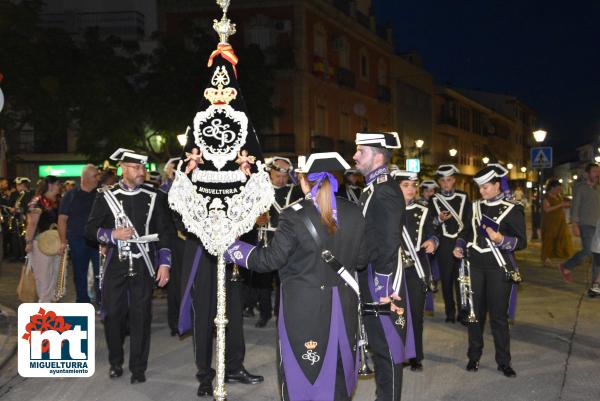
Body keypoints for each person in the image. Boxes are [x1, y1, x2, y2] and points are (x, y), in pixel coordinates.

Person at [224, 152, 367, 401]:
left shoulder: (293, 215)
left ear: (303, 181)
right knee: (339, 377)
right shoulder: (355, 213)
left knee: (302, 376)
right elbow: (363, 260)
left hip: (304, 309)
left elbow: (269, 260)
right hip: (344, 305)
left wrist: (232, 248)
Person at [85, 148, 173, 384]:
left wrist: (164, 263)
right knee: (112, 315)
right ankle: (116, 361)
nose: (141, 171)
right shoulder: (106, 196)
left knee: (141, 316)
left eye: (143, 167)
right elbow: (90, 230)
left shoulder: (155, 196)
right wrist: (111, 234)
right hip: (116, 263)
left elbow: (165, 232)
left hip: (144, 263)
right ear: (122, 168)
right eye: (136, 167)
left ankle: (138, 368)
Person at [353, 131, 413, 401]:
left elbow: (389, 242)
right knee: (379, 346)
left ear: (378, 156)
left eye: (360, 151)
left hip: (383, 282)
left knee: (387, 348)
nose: (355, 156)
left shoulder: (385, 190)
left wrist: (384, 289)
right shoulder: (373, 188)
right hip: (372, 276)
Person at [453, 164, 526, 378]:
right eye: (480, 188)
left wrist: (501, 239)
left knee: (498, 318)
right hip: (475, 266)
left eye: (486, 187)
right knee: (475, 316)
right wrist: (459, 245)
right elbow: (465, 231)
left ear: (497, 185)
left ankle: (504, 361)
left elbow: (522, 242)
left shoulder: (513, 208)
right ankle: (473, 356)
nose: (482, 191)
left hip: (497, 268)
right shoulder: (474, 207)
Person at [244, 156, 303, 327]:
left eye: (285, 176)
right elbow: (246, 214)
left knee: (283, 281)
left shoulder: (295, 191)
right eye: (278, 175)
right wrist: (254, 220)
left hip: (288, 242)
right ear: (270, 173)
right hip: (265, 241)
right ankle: (264, 313)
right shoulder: (260, 191)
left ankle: (281, 314)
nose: (282, 179)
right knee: (263, 282)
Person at [391, 170, 438, 372]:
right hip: (394, 270)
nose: (411, 189)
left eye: (413, 185)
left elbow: (432, 233)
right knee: (397, 314)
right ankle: (397, 354)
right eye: (405, 185)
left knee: (416, 314)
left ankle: (415, 355)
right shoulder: (387, 210)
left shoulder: (424, 210)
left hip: (416, 269)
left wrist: (432, 241)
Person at [430, 164, 471, 323]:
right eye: (443, 181)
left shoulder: (463, 197)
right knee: (446, 281)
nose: (446, 184)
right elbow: (430, 225)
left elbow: (468, 222)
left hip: (460, 243)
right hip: (443, 246)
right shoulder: (434, 200)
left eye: (449, 180)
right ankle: (449, 312)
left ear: (454, 180)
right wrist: (439, 219)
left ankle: (463, 312)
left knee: (462, 280)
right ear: (439, 182)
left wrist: (461, 241)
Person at [58, 164, 101, 304]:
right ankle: (83, 300)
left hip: (97, 239)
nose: (98, 178)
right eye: (95, 176)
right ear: (87, 178)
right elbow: (62, 219)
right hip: (77, 239)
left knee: (100, 272)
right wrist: (63, 241)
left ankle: (101, 300)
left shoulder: (100, 194)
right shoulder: (70, 195)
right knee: (79, 272)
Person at [559, 163, 600, 285]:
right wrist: (574, 224)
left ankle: (596, 284)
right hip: (585, 224)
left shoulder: (598, 189)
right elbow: (575, 207)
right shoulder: (580, 187)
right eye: (594, 171)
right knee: (588, 251)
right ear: (587, 173)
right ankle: (567, 265)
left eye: (598, 171)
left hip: (598, 226)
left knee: (597, 254)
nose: (597, 174)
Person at [24, 176, 62, 303]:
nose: (59, 186)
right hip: (40, 243)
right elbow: (32, 223)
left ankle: (50, 304)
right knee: (43, 277)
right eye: (57, 184)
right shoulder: (37, 201)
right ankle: (44, 307)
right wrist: (28, 242)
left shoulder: (57, 201)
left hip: (55, 243)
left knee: (54, 275)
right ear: (50, 185)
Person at [160, 157, 186, 336]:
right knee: (175, 285)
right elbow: (162, 223)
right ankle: (175, 321)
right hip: (174, 242)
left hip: (191, 242)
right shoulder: (163, 192)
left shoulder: (190, 190)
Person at [540, 179, 573, 267]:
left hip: (560, 221)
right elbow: (547, 209)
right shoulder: (547, 197)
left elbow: (562, 205)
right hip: (550, 221)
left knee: (562, 238)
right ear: (552, 188)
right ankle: (546, 258)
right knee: (549, 238)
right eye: (558, 189)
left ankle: (557, 255)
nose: (559, 190)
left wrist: (567, 205)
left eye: (560, 189)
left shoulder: (558, 196)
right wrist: (561, 205)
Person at [8, 177, 32, 261]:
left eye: (20, 184)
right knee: (15, 236)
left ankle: (24, 255)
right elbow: (10, 204)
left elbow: (28, 206)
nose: (18, 186)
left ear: (24, 185)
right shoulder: (14, 194)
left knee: (24, 237)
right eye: (17, 185)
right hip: (15, 218)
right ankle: (15, 255)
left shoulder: (29, 194)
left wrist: (21, 209)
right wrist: (11, 209)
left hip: (25, 218)